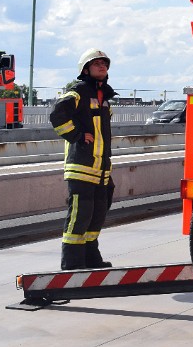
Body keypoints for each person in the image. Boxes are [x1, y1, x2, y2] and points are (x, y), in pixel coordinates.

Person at [50, 49, 117, 270]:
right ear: (85, 69)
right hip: (82, 168)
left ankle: (91, 259)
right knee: (79, 217)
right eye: (96, 63)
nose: (101, 66)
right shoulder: (78, 92)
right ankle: (72, 264)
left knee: (96, 216)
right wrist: (77, 135)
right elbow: (57, 115)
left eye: (104, 63)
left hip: (101, 169)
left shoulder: (104, 96)